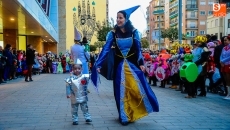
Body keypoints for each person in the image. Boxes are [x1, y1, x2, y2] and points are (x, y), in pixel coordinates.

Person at [91, 5, 159, 125]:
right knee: (119, 90)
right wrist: (98, 63)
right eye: (117, 17)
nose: (118, 20)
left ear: (126, 19)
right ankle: (123, 116)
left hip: (132, 65)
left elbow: (138, 49)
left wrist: (142, 63)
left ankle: (132, 112)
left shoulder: (134, 32)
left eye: (120, 17)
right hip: (119, 66)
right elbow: (106, 49)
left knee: (135, 89)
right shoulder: (112, 33)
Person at [65, 59, 92, 125]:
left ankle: (87, 117)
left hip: (83, 95)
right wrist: (68, 93)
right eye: (75, 69)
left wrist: (87, 89)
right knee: (74, 109)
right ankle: (75, 119)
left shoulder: (84, 77)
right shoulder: (70, 78)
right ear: (72, 69)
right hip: (74, 96)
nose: (77, 70)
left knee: (85, 107)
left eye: (78, 68)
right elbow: (67, 86)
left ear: (81, 69)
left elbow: (87, 81)